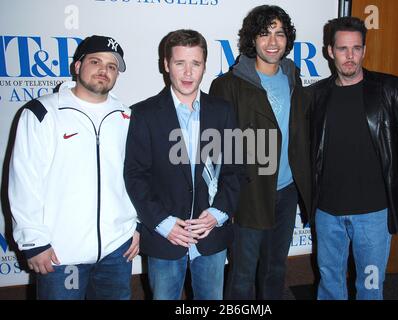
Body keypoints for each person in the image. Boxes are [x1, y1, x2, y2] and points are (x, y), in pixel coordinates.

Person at [309, 17, 398, 300]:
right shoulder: (316, 95)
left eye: (356, 48)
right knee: (329, 286)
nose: (350, 56)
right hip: (327, 214)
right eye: (343, 49)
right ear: (330, 51)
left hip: (373, 216)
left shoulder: (389, 89)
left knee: (369, 288)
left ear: (364, 50)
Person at [8, 35, 140, 299]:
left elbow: (137, 176)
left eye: (112, 66)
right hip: (61, 254)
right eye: (96, 62)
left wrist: (137, 225)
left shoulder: (127, 117)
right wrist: (33, 242)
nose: (104, 70)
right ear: (77, 66)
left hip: (117, 251)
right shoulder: (42, 113)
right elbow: (24, 180)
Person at [124, 29, 241, 300]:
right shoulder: (143, 114)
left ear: (204, 66)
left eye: (195, 64)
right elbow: (135, 176)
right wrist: (161, 223)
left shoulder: (223, 111)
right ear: (166, 65)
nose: (188, 73)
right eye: (180, 63)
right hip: (165, 238)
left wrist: (219, 213)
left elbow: (236, 169)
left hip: (212, 236)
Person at [209, 5, 311, 300]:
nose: (272, 41)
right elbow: (218, 149)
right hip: (248, 194)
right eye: (264, 33)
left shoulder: (294, 78)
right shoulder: (227, 85)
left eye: (279, 33)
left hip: (287, 191)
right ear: (251, 39)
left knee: (275, 269)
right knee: (242, 274)